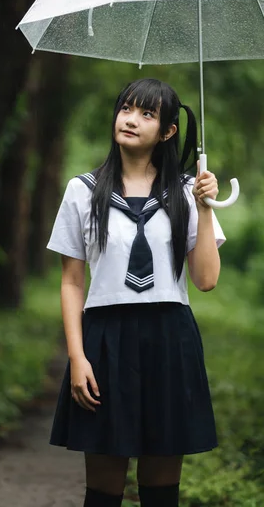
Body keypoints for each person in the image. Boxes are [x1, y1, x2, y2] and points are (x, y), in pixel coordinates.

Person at [46, 78, 226, 507]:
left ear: (167, 131)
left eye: (147, 114)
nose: (130, 119)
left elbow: (205, 280)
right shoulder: (83, 192)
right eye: (126, 108)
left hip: (170, 339)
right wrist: (77, 357)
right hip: (106, 340)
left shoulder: (184, 192)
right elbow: (72, 282)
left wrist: (204, 208)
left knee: (161, 494)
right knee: (103, 492)